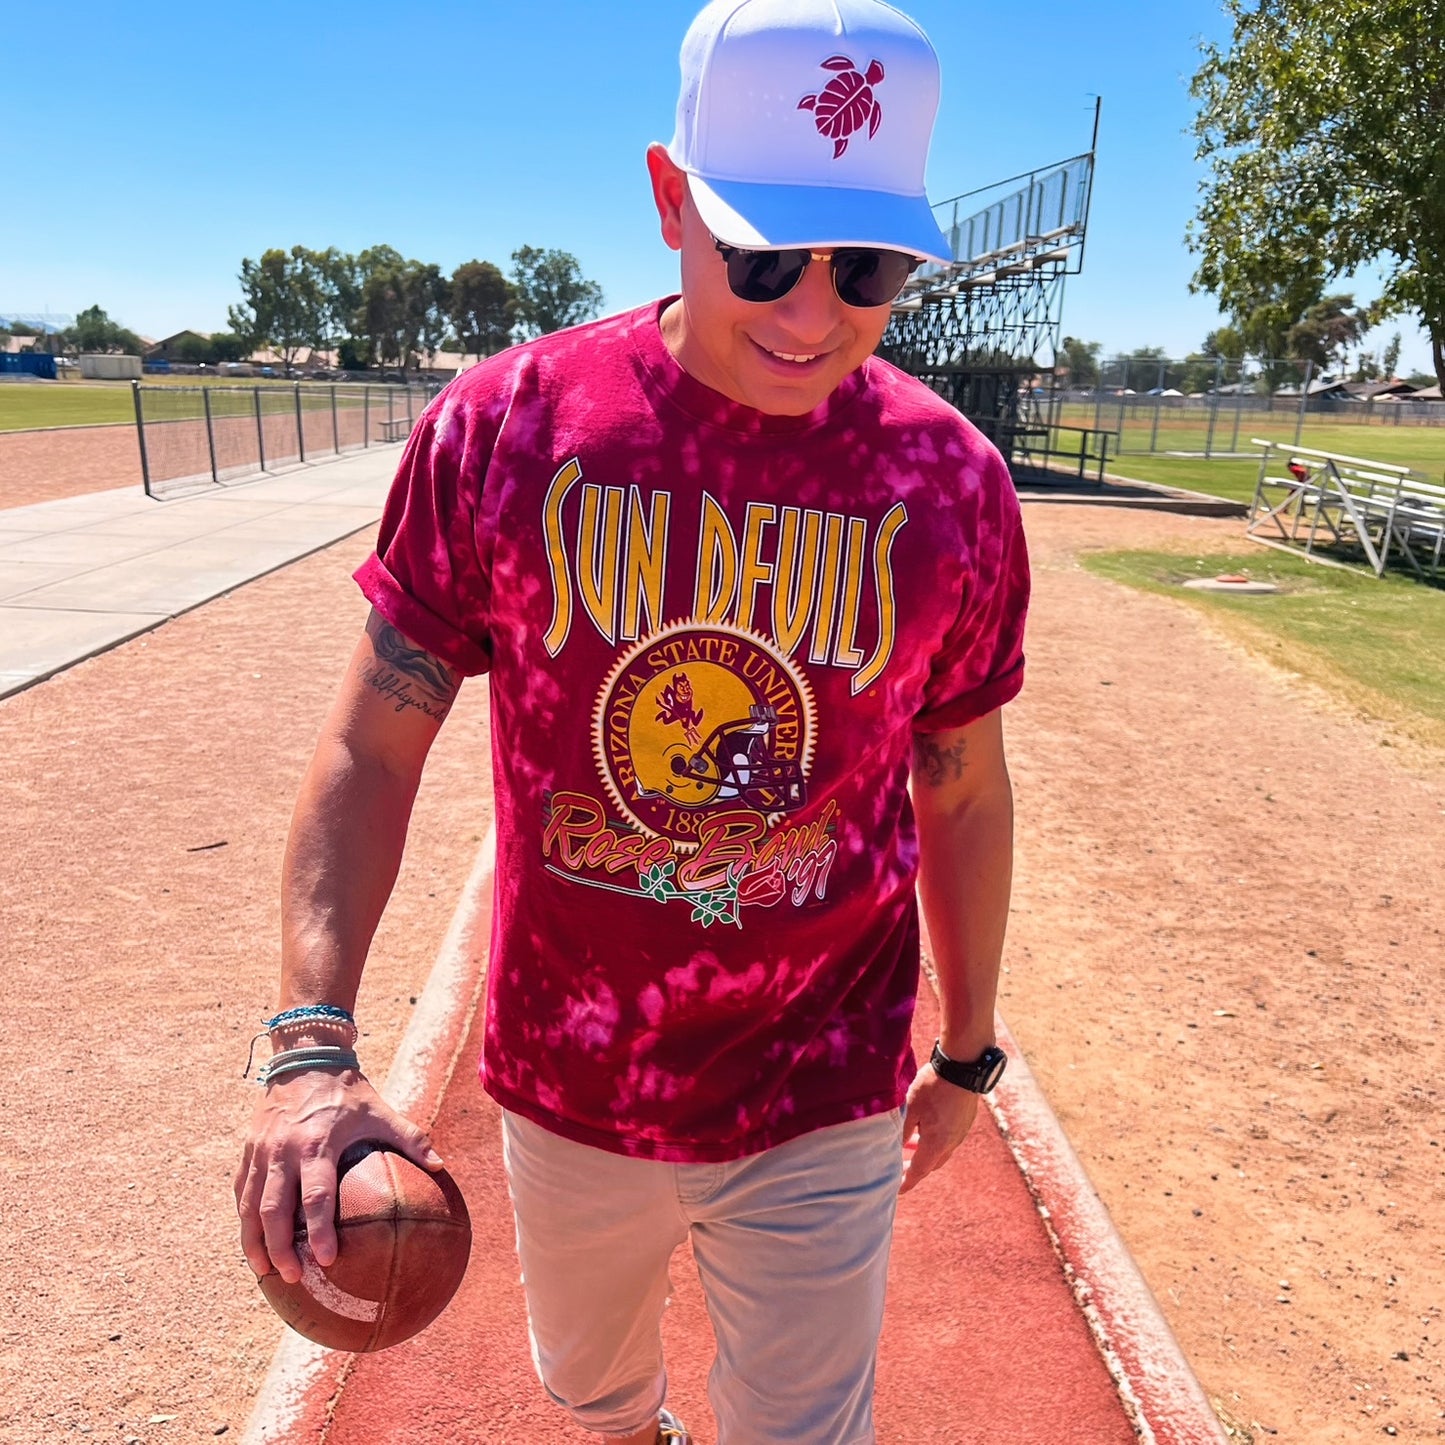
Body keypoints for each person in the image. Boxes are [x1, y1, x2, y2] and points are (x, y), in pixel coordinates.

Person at [234, 0, 1030, 1440]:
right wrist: (308, 1045)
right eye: (764, 253)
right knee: (592, 1399)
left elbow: (962, 786)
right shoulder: (509, 431)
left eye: (867, 267)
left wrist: (965, 1049)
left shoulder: (951, 485)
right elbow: (374, 735)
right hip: (570, 1076)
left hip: (824, 1077)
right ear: (670, 199)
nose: (810, 311)